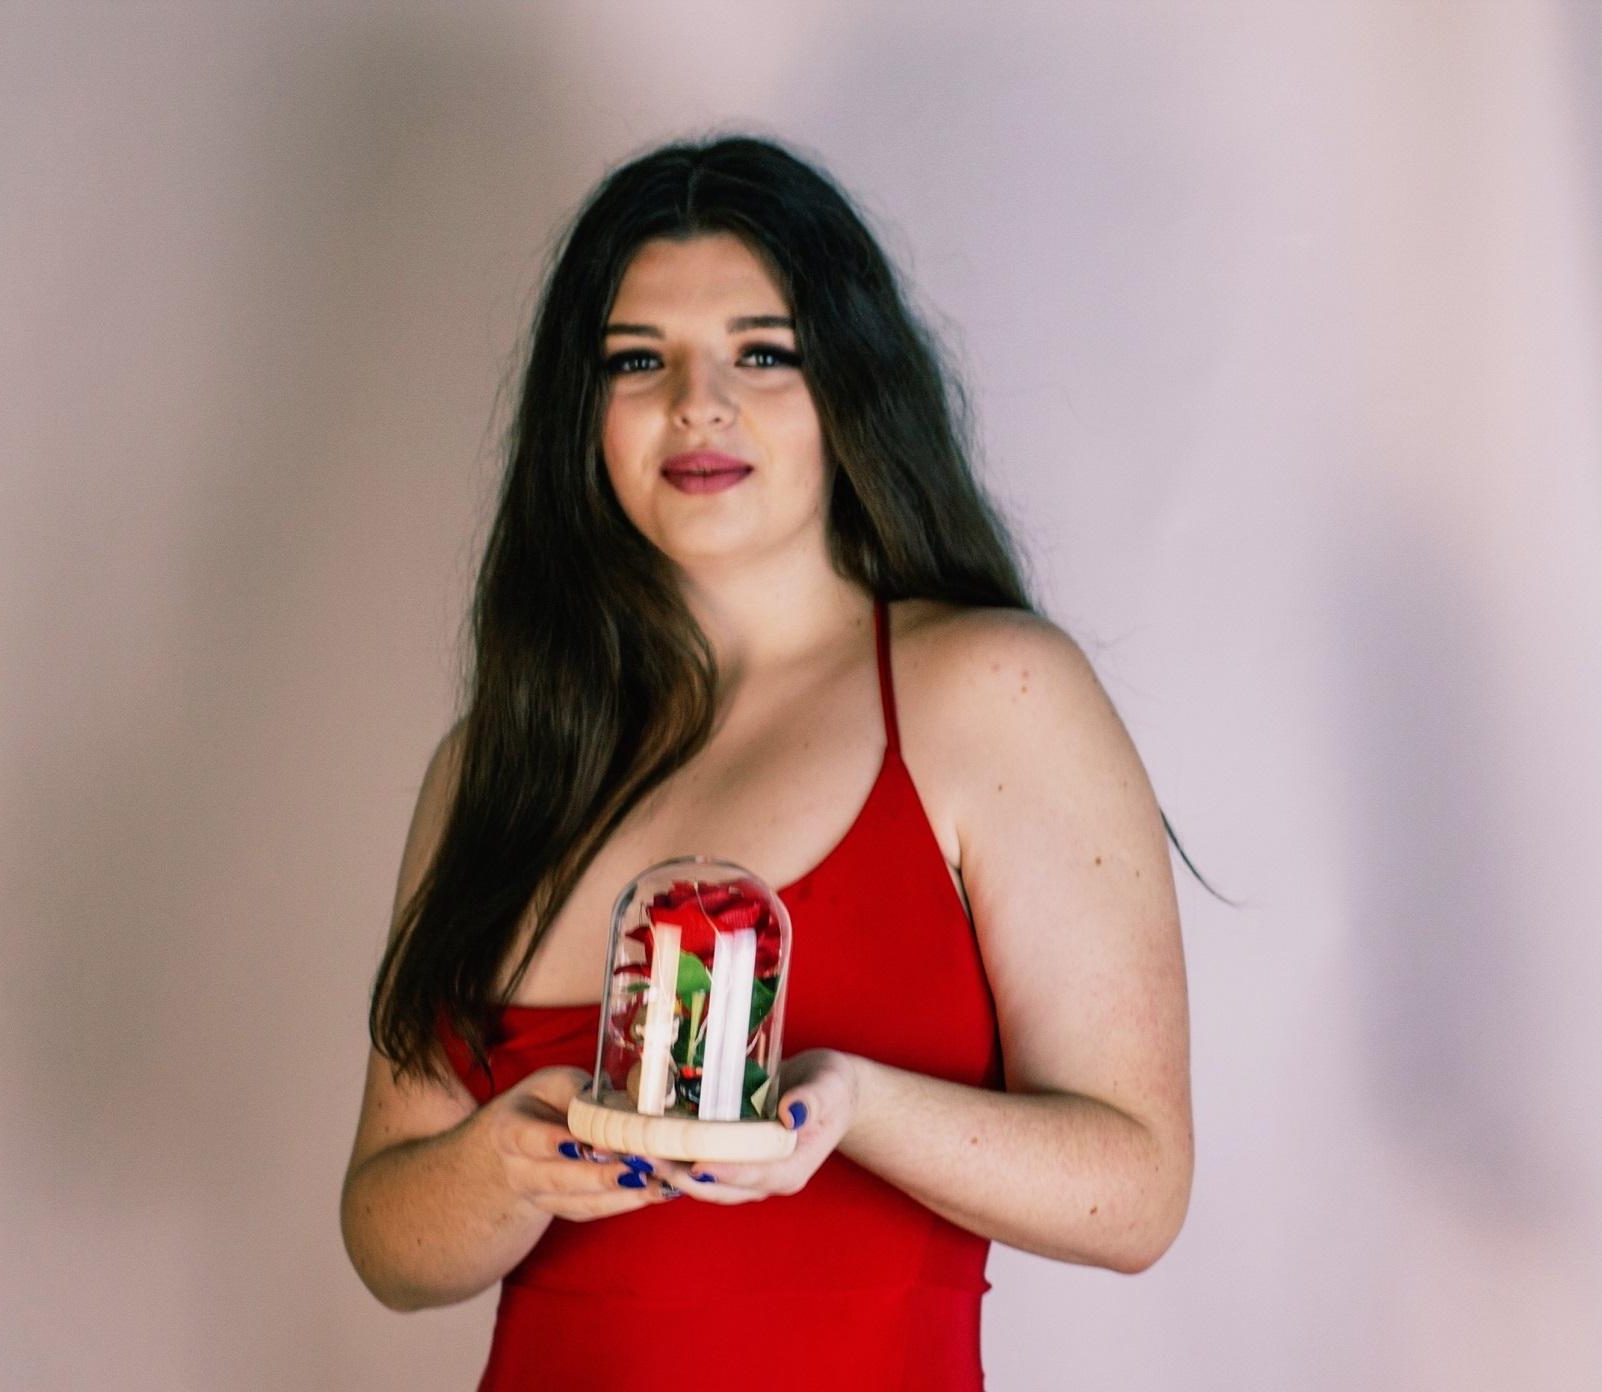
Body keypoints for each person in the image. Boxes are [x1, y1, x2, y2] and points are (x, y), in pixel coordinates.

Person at [339, 133, 1197, 1391]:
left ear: (849, 387)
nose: (697, 402)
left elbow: (1137, 1193)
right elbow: (386, 1238)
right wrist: (501, 1168)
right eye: (638, 360)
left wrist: (850, 1106)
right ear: (582, 414)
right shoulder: (494, 764)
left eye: (762, 352)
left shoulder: (989, 692)